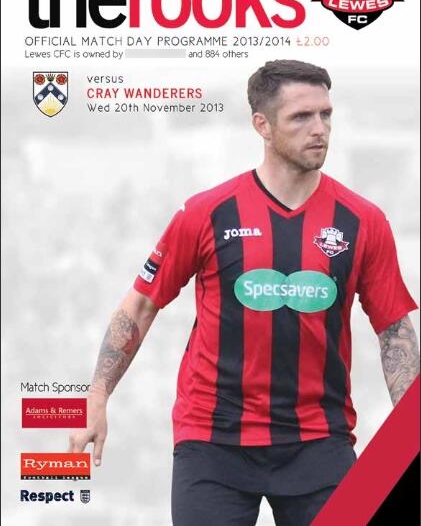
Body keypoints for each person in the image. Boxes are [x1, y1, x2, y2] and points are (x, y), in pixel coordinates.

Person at [69, 60, 419, 526]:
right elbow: (142, 304)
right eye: (301, 116)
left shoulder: (362, 221)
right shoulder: (207, 213)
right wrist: (97, 396)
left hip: (319, 442)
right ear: (262, 125)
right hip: (213, 442)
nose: (319, 128)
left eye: (326, 114)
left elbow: (394, 330)